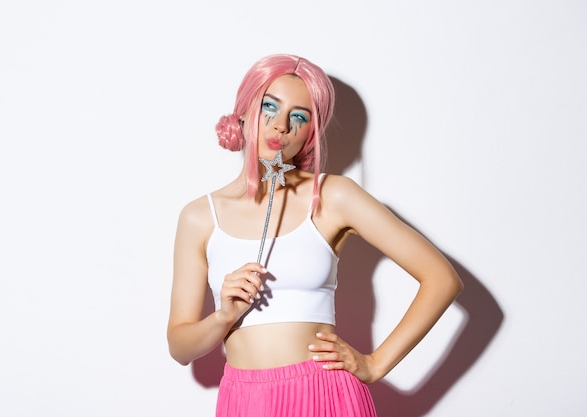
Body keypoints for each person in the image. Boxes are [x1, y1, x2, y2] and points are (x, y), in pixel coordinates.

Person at [166, 54, 463, 417]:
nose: (280, 126)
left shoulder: (334, 197)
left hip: (325, 393)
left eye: (299, 116)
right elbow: (180, 348)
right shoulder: (199, 217)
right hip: (244, 401)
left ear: (311, 132)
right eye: (268, 107)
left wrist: (376, 364)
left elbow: (441, 278)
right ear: (243, 113)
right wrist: (223, 317)